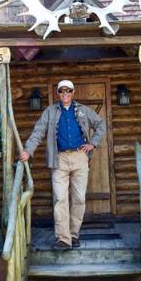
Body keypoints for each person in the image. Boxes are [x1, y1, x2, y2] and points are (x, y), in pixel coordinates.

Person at [20, 80, 105, 250]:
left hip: (80, 157)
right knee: (60, 198)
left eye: (68, 90)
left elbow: (101, 124)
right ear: (58, 93)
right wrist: (28, 151)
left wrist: (93, 143)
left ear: (73, 92)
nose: (65, 93)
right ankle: (63, 239)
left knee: (79, 198)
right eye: (61, 91)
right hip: (58, 159)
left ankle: (73, 235)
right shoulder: (50, 112)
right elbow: (38, 131)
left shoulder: (83, 110)